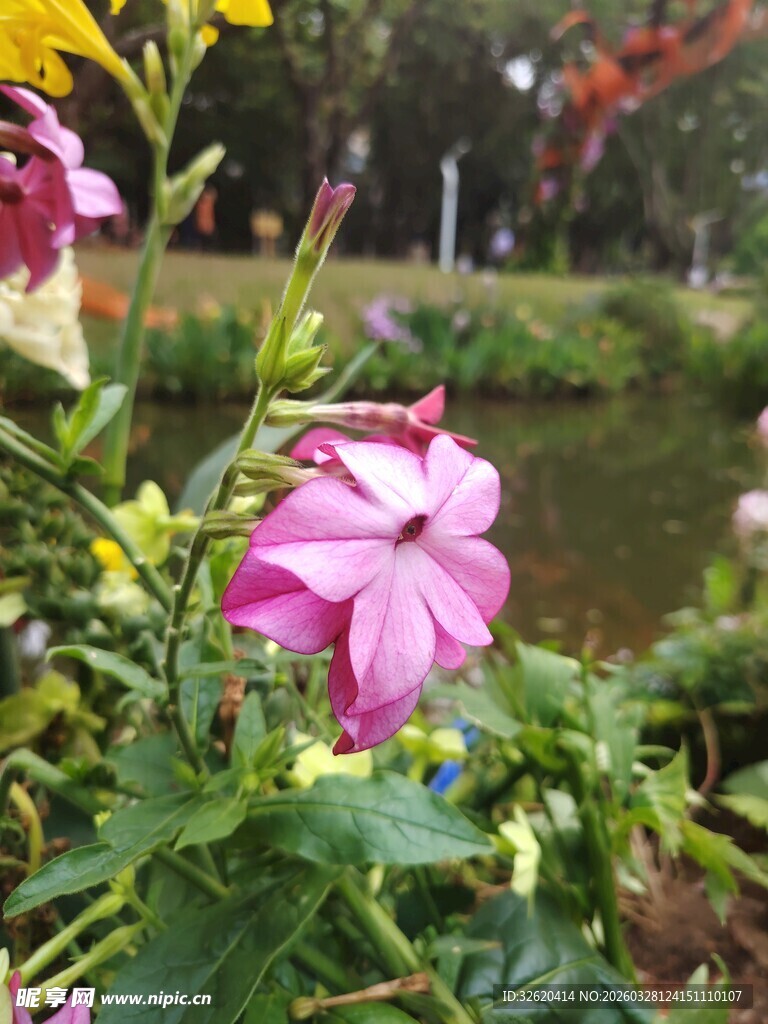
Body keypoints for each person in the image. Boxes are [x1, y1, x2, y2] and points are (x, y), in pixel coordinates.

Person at [195, 185, 218, 250]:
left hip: (208, 223)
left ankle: (207, 249)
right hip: (204, 223)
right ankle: (204, 249)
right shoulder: (202, 203)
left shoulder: (208, 202)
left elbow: (214, 195)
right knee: (205, 239)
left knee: (209, 239)